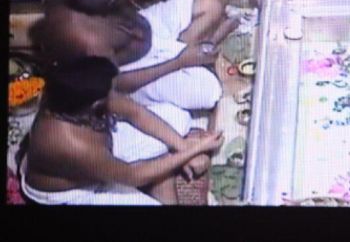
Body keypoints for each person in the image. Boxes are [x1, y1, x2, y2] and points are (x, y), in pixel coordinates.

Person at [35, 0, 238, 111]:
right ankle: (199, 51)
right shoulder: (86, 40)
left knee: (211, 5)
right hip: (137, 66)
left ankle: (195, 50)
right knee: (209, 93)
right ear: (110, 3)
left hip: (150, 26)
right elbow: (116, 84)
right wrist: (179, 62)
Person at [20, 57, 224, 205]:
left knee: (177, 117)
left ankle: (163, 169)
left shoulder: (77, 93)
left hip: (104, 149)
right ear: (95, 105)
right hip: (76, 191)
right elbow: (134, 176)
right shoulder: (71, 144)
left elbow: (136, 113)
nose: (114, 95)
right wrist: (196, 149)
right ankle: (162, 174)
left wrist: (182, 146)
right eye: (109, 93)